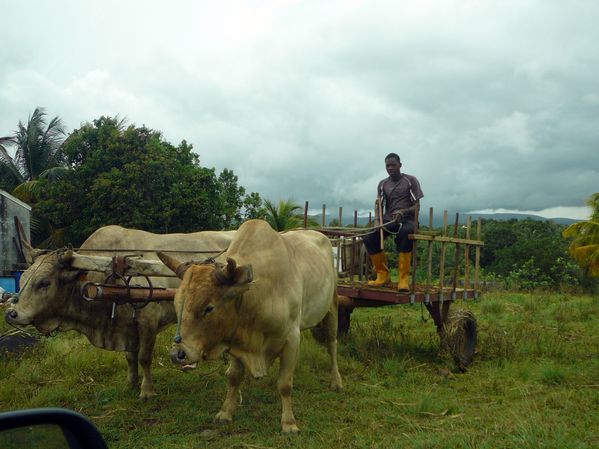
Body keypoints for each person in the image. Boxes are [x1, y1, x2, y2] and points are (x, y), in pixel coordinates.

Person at [362, 153, 424, 291]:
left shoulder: (410, 180)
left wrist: (403, 212)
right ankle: (382, 275)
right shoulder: (383, 184)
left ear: (400, 165)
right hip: (389, 219)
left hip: (408, 219)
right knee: (369, 238)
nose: (390, 168)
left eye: (393, 165)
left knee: (405, 233)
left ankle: (403, 279)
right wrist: (378, 220)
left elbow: (417, 206)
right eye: (387, 166)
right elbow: (379, 205)